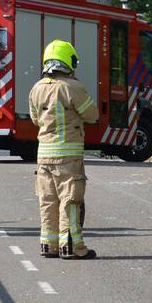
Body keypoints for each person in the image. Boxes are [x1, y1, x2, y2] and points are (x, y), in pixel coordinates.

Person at [29, 39, 99, 259]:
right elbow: (92, 114)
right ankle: (72, 247)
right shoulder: (72, 87)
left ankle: (48, 246)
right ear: (68, 61)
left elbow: (34, 119)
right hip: (68, 156)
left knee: (48, 200)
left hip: (43, 156)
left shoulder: (36, 88)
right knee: (70, 201)